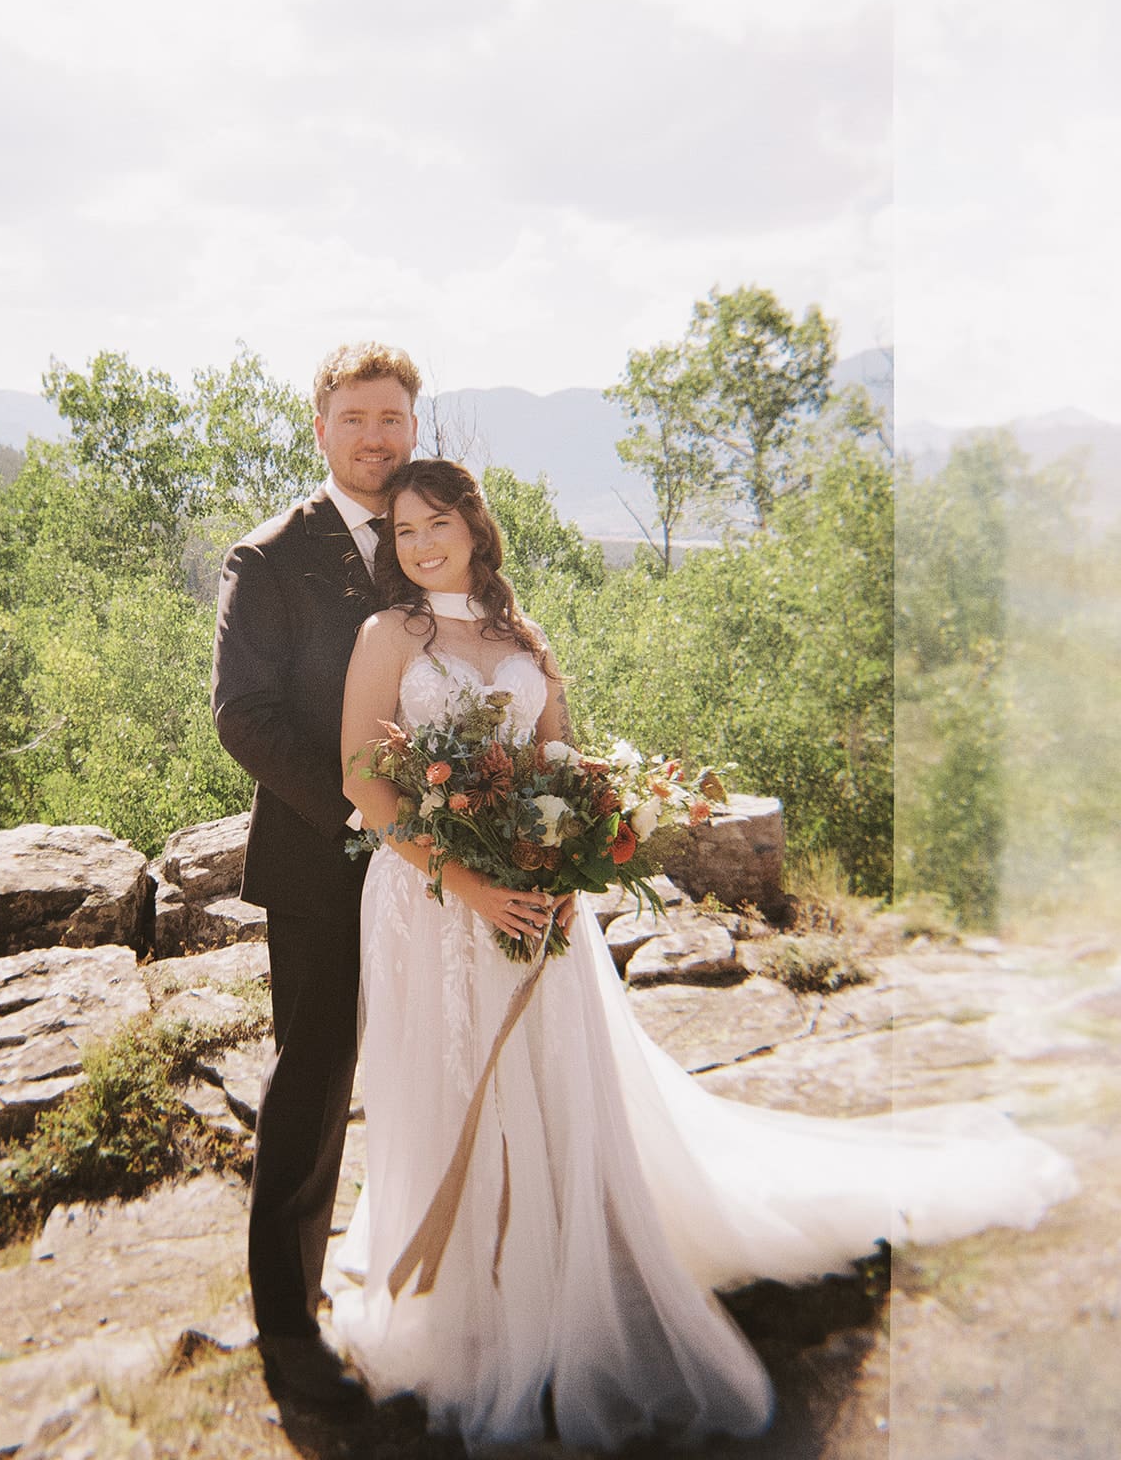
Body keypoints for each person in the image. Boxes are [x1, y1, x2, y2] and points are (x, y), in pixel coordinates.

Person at [331, 458, 1077, 1451]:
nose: (421, 545)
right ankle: (469, 1292)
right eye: (405, 531)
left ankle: (562, 1272)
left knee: (548, 1080)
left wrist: (563, 853)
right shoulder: (387, 635)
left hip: (535, 896)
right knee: (446, 1073)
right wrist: (468, 882)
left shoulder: (524, 636)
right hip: (430, 900)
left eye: (438, 525)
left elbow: (556, 759)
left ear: (474, 526)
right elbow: (365, 785)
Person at [211, 341, 420, 1404]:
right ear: (320, 428)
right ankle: (286, 1321)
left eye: (391, 418)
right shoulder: (268, 555)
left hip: (440, 864)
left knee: (442, 1056)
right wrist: (366, 812)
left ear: (413, 429)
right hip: (320, 860)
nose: (375, 436)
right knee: (315, 1076)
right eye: (355, 417)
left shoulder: (435, 534)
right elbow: (239, 716)